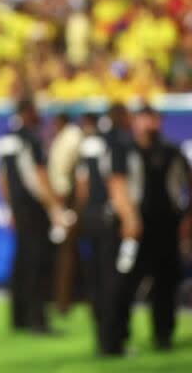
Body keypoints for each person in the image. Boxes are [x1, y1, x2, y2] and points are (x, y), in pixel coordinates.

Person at [110, 104, 191, 351]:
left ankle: (163, 335)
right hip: (137, 227)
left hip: (167, 226)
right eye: (143, 119)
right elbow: (117, 185)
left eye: (153, 119)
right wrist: (128, 218)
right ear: (135, 122)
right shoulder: (126, 150)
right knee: (125, 283)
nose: (148, 124)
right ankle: (118, 337)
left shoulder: (172, 152)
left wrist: (186, 222)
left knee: (166, 284)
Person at [0, 98, 69, 334]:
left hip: (19, 208)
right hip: (34, 210)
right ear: (26, 112)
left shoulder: (6, 138)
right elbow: (36, 178)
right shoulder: (29, 138)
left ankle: (19, 317)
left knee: (21, 263)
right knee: (37, 264)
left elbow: (1, 179)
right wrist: (54, 207)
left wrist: (10, 208)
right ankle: (37, 319)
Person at [75, 103, 143, 355]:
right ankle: (113, 341)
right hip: (110, 219)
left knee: (98, 281)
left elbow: (81, 184)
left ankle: (103, 338)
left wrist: (82, 215)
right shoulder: (118, 142)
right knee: (116, 281)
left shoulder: (91, 141)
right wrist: (130, 219)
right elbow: (116, 182)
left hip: (92, 218)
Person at [47, 113, 84, 314]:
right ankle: (66, 298)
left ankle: (63, 301)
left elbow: (62, 177)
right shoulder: (67, 138)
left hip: (68, 202)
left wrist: (62, 208)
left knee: (66, 252)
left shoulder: (70, 138)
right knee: (68, 252)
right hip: (68, 201)